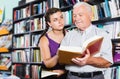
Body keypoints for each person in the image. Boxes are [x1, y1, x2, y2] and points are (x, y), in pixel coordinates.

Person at [60, 2, 113, 79]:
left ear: (90, 15)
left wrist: (88, 60)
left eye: (80, 15)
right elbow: (61, 59)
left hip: (95, 77)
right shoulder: (69, 35)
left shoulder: (102, 34)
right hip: (72, 77)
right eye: (74, 16)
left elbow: (108, 62)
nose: (76, 18)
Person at [38, 8, 66, 79]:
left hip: (66, 72)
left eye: (61, 17)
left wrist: (64, 71)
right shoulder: (44, 39)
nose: (60, 21)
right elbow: (48, 64)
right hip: (50, 73)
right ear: (49, 23)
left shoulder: (70, 35)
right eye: (55, 20)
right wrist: (58, 55)